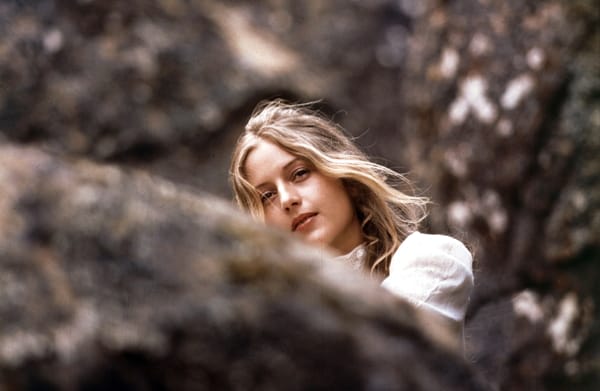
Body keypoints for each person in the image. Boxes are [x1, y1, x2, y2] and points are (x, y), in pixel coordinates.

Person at [229, 99, 474, 347]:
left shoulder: (433, 260)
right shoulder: (269, 317)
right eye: (267, 195)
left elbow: (378, 351)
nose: (287, 200)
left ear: (348, 181)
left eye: (300, 173)